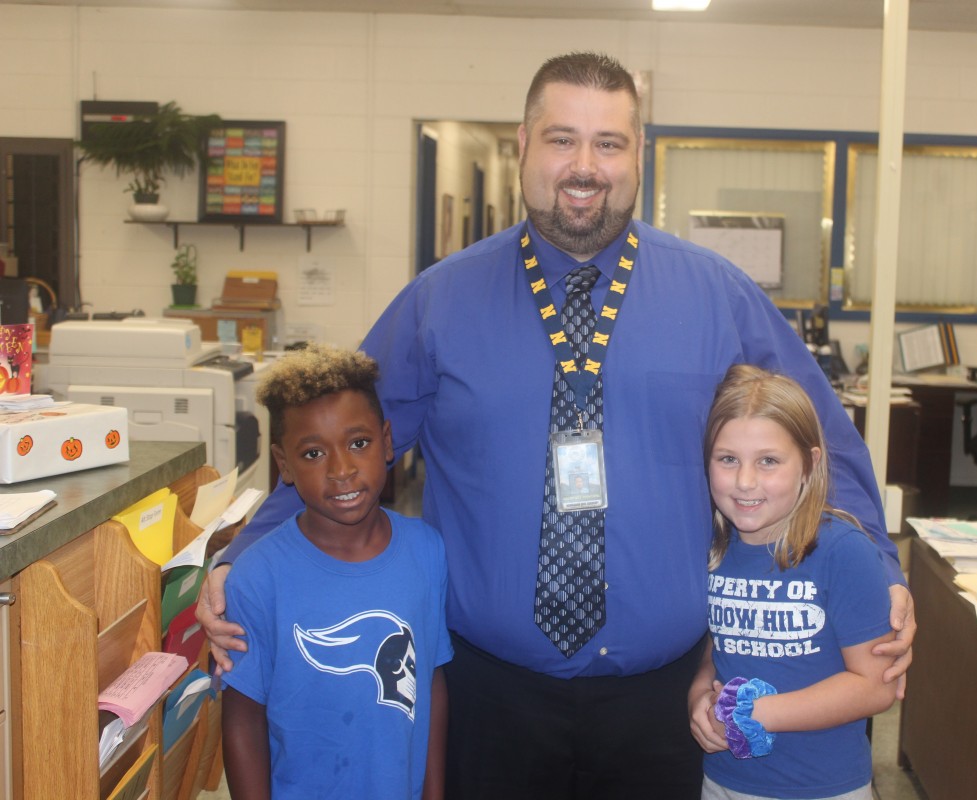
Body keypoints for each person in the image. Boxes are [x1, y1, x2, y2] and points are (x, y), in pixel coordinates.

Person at [201, 52, 914, 799]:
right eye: (562, 139)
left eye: (610, 143)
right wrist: (244, 553)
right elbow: (335, 442)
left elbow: (823, 437)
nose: (586, 165)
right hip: (488, 696)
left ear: (640, 155)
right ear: (522, 146)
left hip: (665, 702)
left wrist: (881, 566)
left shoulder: (717, 297)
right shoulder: (438, 303)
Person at [220, 344, 452, 799]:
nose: (342, 470)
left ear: (387, 442)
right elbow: (242, 718)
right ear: (283, 465)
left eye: (358, 444)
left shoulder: (427, 551)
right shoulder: (257, 577)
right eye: (312, 454)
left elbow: (431, 680)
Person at [688, 365, 896, 800]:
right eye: (728, 459)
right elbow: (718, 650)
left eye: (768, 461)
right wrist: (697, 698)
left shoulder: (843, 551)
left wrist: (759, 713)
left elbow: (877, 684)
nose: (745, 481)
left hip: (824, 787)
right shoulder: (712, 549)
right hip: (724, 781)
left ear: (809, 463)